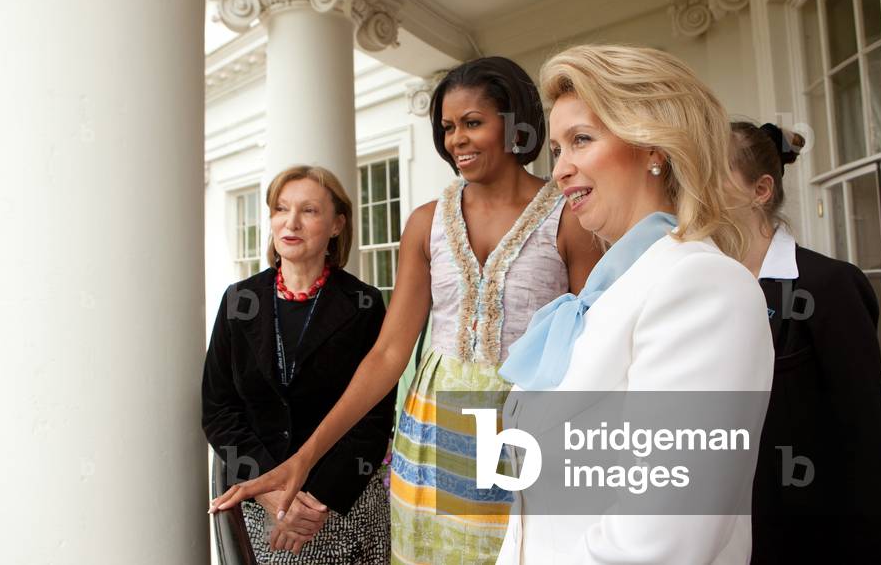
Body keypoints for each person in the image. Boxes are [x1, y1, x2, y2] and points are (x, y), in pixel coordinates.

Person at [212, 56, 602, 564]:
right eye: (447, 128)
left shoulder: (568, 217)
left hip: (526, 431)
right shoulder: (426, 223)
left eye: (472, 123)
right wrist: (304, 459)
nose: (456, 140)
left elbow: (590, 347)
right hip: (432, 436)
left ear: (515, 123)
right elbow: (388, 354)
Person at [495, 44, 774, 564]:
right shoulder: (609, 293)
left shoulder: (702, 285)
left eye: (581, 140)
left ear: (654, 149)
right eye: (556, 149)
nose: (559, 170)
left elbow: (661, 539)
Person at [729, 121, 881, 564]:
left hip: (821, 540)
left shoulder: (829, 285)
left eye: (710, 174)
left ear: (761, 190)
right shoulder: (706, 290)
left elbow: (864, 444)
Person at [202, 165, 395, 564]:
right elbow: (218, 409)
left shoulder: (364, 304)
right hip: (266, 511)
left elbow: (375, 418)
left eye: (308, 210)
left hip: (342, 508)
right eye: (281, 208)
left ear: (337, 224)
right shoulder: (239, 301)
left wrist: (319, 500)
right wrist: (273, 492)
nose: (290, 222)